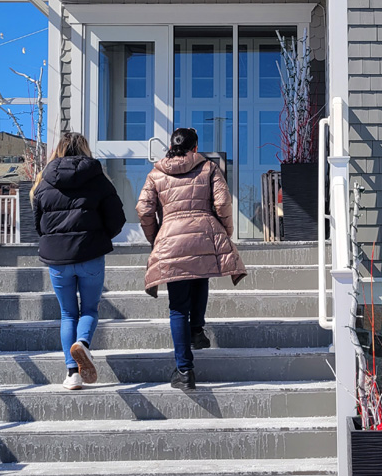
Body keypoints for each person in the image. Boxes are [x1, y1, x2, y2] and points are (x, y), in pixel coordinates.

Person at [136, 127, 247, 391]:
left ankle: (184, 370)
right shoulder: (208, 168)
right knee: (200, 276)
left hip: (171, 239)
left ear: (171, 147)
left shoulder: (156, 173)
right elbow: (222, 204)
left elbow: (144, 209)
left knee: (177, 307)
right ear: (195, 148)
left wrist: (156, 237)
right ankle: (196, 329)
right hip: (204, 234)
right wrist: (224, 232)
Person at [31, 132, 126, 391]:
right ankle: (82, 344)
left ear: (58, 150)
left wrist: (54, 240)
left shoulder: (44, 181)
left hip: (57, 258)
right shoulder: (98, 178)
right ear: (85, 150)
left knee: (67, 314)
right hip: (90, 254)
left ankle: (72, 374)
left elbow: (39, 223)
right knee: (90, 310)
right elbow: (117, 218)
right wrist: (100, 237)